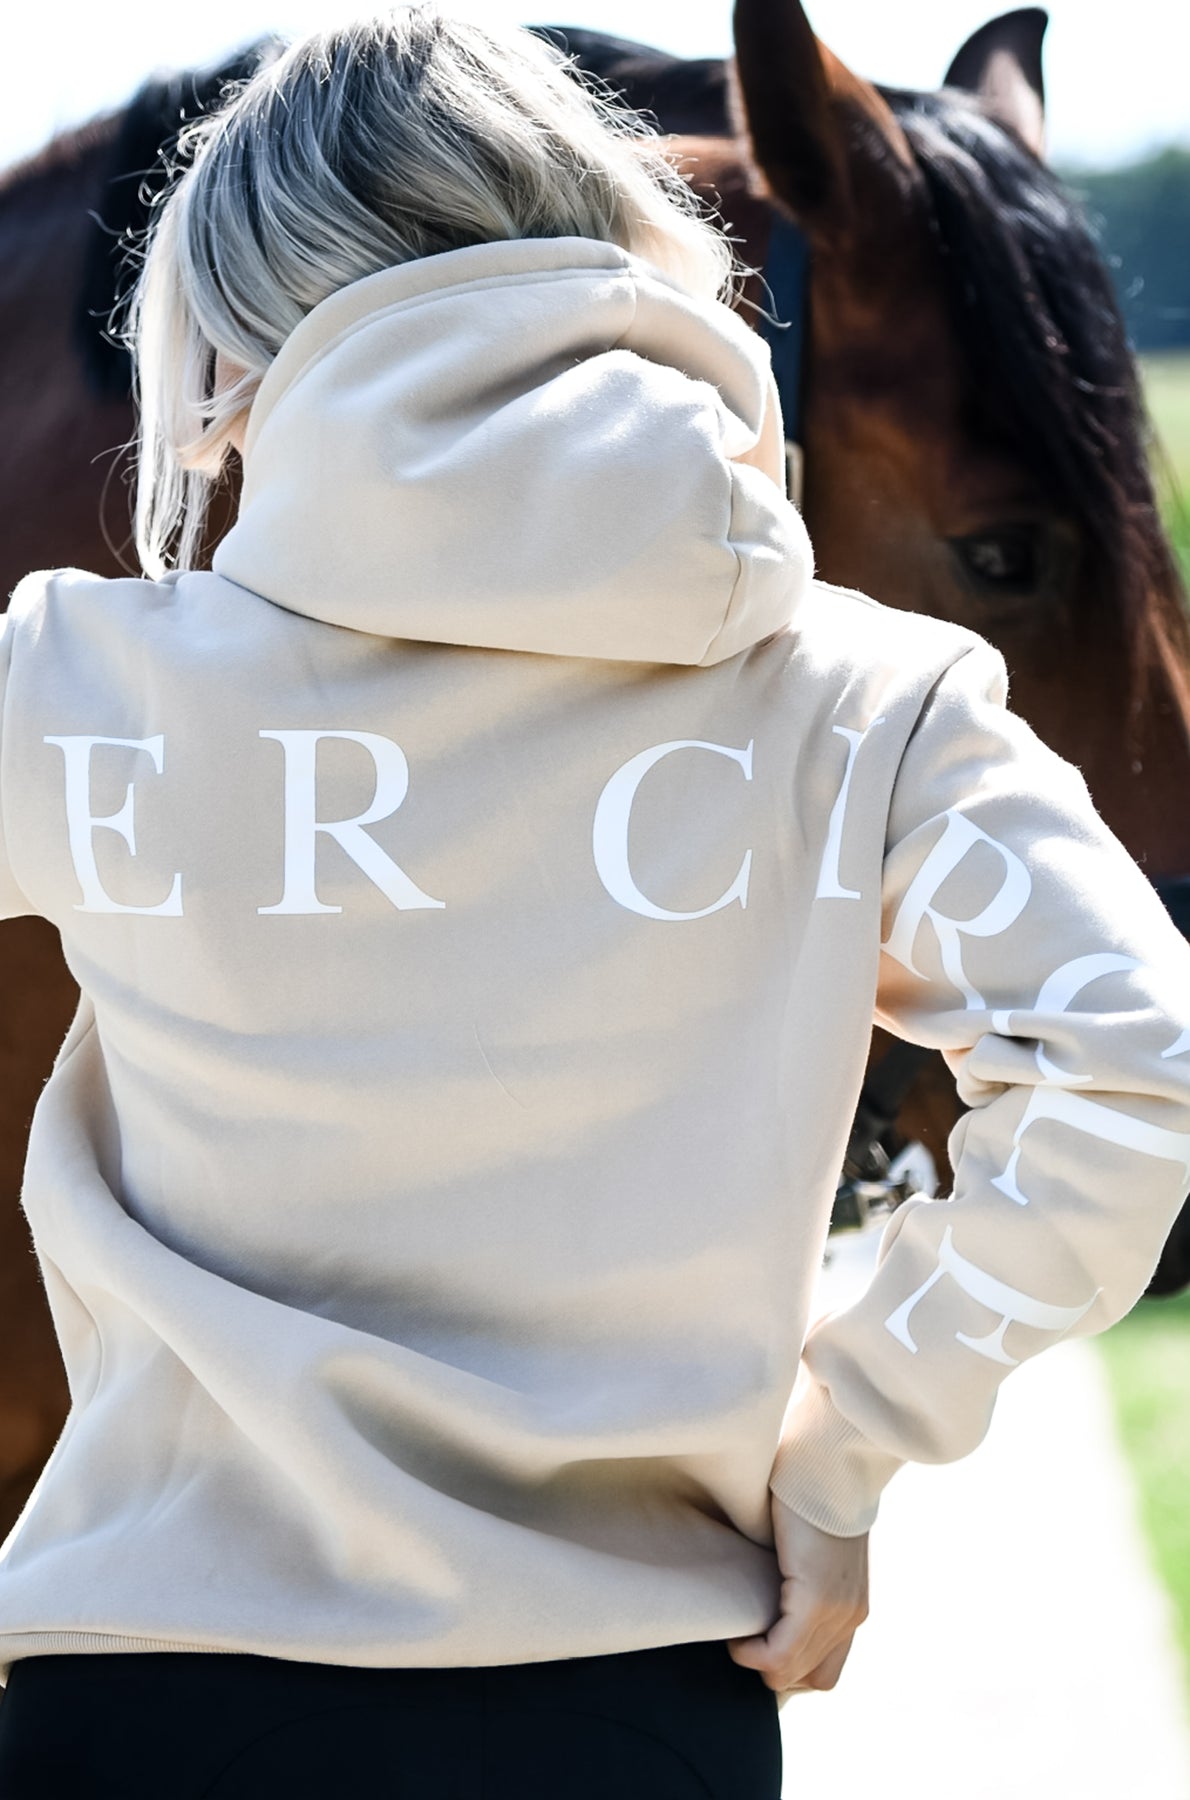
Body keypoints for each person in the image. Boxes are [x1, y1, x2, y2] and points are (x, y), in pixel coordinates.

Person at [0, 8, 1187, 1796]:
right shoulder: (876, 700)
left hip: (143, 1704)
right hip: (638, 1706)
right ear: (621, 253)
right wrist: (845, 1443)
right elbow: (1139, 1067)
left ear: (228, 346)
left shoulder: (71, 685)